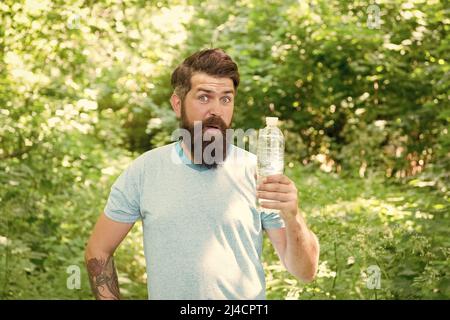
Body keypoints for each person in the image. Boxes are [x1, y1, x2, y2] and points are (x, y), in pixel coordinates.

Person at [84, 48, 319, 300]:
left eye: (226, 99)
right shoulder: (144, 171)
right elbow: (98, 250)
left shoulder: (258, 173)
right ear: (178, 104)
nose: (216, 110)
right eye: (204, 98)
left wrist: (293, 217)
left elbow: (305, 272)